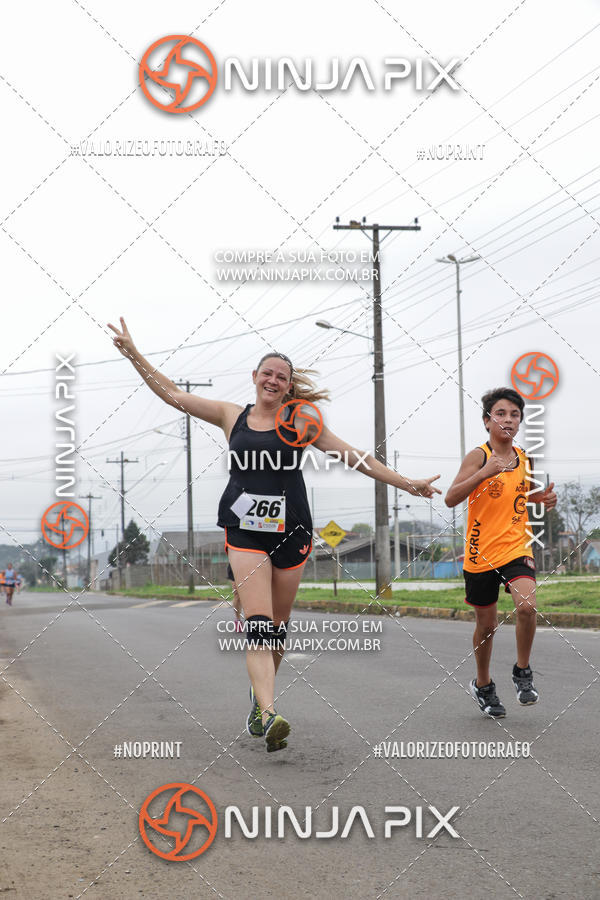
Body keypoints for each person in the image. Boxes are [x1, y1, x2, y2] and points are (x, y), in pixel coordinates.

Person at [109, 317, 441, 751]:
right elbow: (173, 394)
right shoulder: (232, 416)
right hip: (244, 530)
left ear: (288, 387)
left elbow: (357, 457)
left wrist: (407, 483)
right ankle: (269, 715)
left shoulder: (302, 421)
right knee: (261, 626)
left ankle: (257, 700)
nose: (273, 380)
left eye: (281, 377)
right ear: (255, 378)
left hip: (293, 531)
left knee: (279, 629)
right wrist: (134, 352)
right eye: (267, 373)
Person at [445, 387, 557, 718]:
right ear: (487, 421)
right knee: (487, 625)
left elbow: (521, 494)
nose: (508, 419)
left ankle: (522, 672)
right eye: (501, 414)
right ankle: (483, 685)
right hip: (480, 552)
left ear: (520, 421)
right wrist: (483, 473)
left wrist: (542, 499)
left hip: (516, 546)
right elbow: (451, 498)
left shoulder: (525, 458)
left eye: (514, 414)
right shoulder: (477, 456)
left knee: (526, 607)